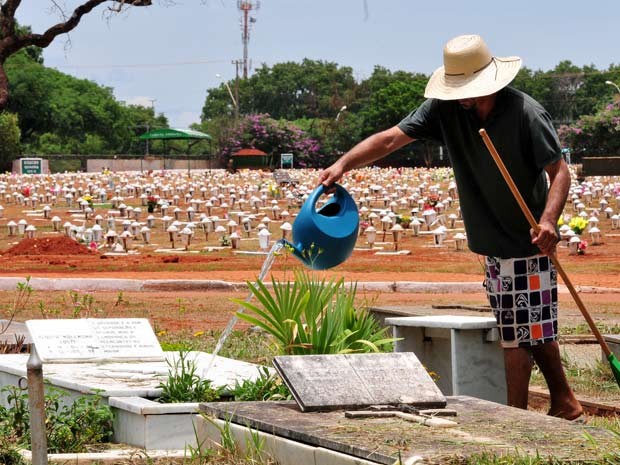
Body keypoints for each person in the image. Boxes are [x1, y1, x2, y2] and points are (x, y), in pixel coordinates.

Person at [318, 34, 583, 420]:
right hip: (492, 242)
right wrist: (344, 164)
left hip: (527, 238)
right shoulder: (444, 109)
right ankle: (563, 403)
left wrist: (548, 221)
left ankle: (519, 418)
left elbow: (559, 171)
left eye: (470, 90)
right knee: (525, 328)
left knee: (518, 336)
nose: (464, 98)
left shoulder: (526, 113)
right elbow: (392, 138)